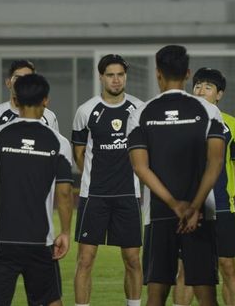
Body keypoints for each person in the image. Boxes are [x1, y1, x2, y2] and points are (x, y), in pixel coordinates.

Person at [127, 45, 225, 306]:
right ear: (188, 73)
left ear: (158, 74)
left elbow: (140, 168)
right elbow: (215, 164)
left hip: (159, 213)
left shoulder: (140, 114)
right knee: (206, 294)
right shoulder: (208, 111)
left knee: (157, 294)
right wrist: (193, 206)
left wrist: (173, 204)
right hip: (202, 213)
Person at [0, 74, 73, 305]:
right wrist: (66, 232)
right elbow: (65, 193)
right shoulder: (59, 142)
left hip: (2, 238)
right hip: (40, 238)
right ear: (46, 100)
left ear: (16, 100)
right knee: (50, 300)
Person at [172, 68, 235, 306]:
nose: (200, 90)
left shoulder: (232, 124)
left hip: (223, 206)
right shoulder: (179, 120)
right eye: (197, 85)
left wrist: (213, 184)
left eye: (208, 87)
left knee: (227, 265)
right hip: (189, 207)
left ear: (219, 94)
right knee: (185, 269)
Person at [72, 54, 143, 306]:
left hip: (128, 194)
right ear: (101, 76)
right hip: (94, 195)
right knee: (85, 259)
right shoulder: (86, 111)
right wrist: (94, 176)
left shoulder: (139, 109)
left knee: (133, 260)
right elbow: (78, 154)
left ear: (126, 76)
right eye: (110, 75)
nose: (116, 79)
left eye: (120, 74)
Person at [0, 60, 59, 156]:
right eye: (17, 78)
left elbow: (54, 152)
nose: (22, 82)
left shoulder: (49, 117)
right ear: (8, 83)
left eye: (27, 78)